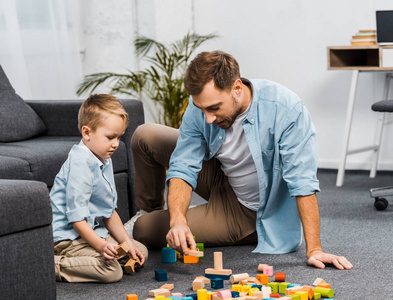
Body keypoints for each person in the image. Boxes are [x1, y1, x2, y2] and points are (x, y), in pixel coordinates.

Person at [130, 51, 352, 270]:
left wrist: (315, 250)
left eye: (214, 108)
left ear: (237, 88)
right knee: (145, 136)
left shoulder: (286, 109)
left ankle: (156, 221)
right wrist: (177, 220)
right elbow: (183, 165)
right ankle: (153, 210)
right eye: (202, 109)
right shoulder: (203, 104)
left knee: (143, 230)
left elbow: (302, 182)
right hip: (221, 174)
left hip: (247, 211)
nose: (207, 118)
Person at [51, 94, 148, 283]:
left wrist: (126, 242)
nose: (116, 144)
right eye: (110, 137)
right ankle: (50, 264)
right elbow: (77, 220)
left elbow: (109, 212)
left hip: (89, 232)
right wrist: (102, 245)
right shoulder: (80, 163)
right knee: (111, 271)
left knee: (138, 251)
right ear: (87, 133)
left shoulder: (103, 157)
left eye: (119, 137)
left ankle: (94, 256)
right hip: (67, 239)